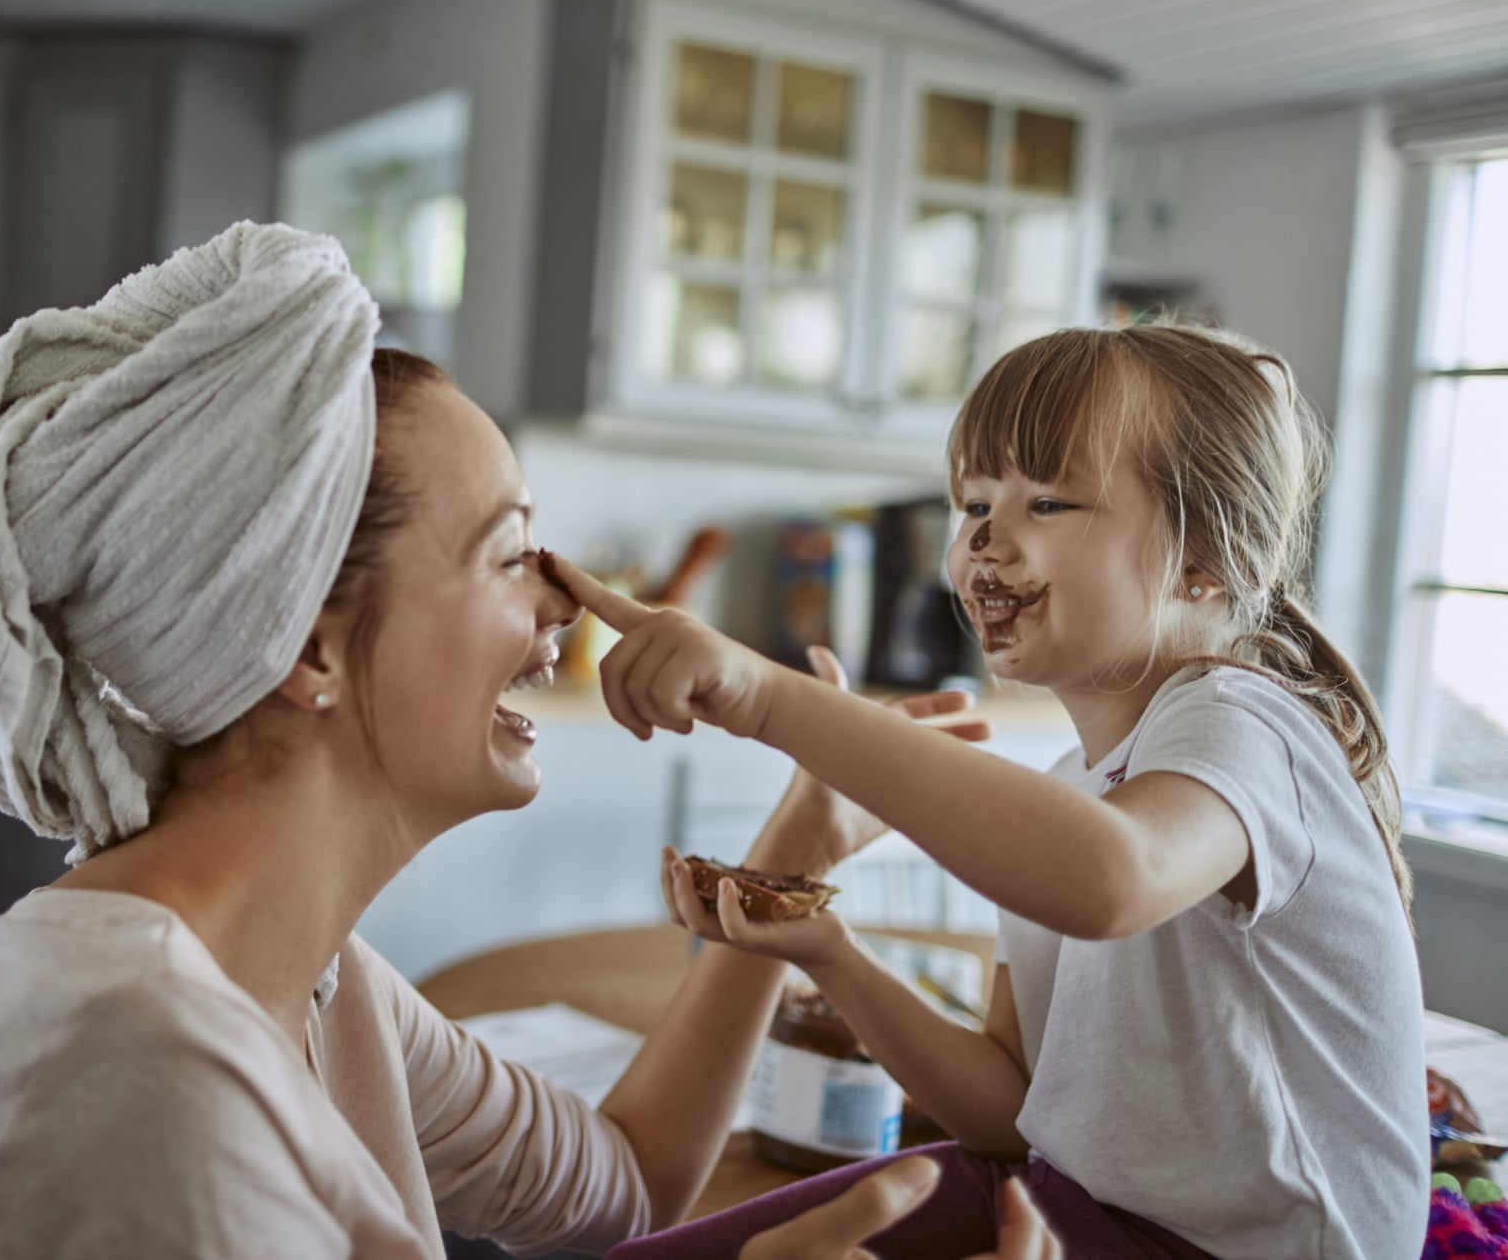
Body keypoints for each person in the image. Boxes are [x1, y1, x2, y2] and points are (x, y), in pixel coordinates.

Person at [0, 222, 1049, 1259]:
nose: (564, 603)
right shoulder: (145, 1085)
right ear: (306, 645)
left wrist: (794, 844)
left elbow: (622, 1182)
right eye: (511, 554)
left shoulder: (312, 980)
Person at [558, 325, 1429, 1260]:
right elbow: (1010, 1112)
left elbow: (1108, 878)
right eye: (973, 500)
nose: (982, 535)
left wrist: (773, 696)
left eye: (1046, 500)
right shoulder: (1069, 793)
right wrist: (835, 955)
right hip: (1065, 1199)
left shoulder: (1244, 722)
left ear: (1203, 558)